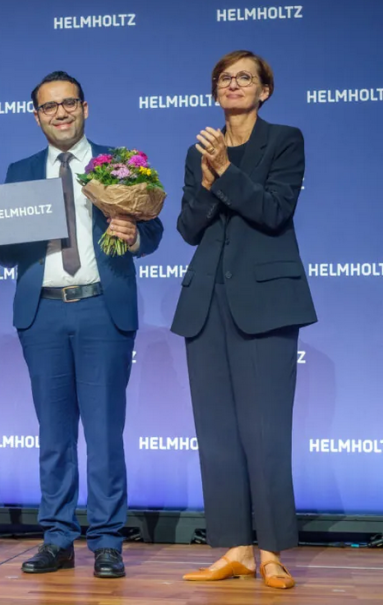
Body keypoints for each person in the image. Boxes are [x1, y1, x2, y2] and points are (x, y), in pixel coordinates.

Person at [0, 71, 163, 578]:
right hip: (44, 313)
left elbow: (156, 229)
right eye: (48, 106)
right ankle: (57, 537)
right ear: (36, 116)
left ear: (85, 108)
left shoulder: (118, 164)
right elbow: (10, 253)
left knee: (103, 433)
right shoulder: (23, 170)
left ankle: (106, 541)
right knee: (53, 435)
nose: (60, 113)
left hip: (102, 307)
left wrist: (134, 232)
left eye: (69, 103)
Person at [172, 50, 317, 590]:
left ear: (264, 91)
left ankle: (273, 551)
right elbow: (188, 228)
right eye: (225, 79)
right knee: (217, 434)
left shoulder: (285, 140)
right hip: (206, 302)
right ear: (215, 91)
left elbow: (275, 211)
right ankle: (235, 549)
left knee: (266, 432)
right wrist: (209, 179)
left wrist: (228, 172)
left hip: (266, 303)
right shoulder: (199, 152)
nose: (234, 85)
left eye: (245, 78)